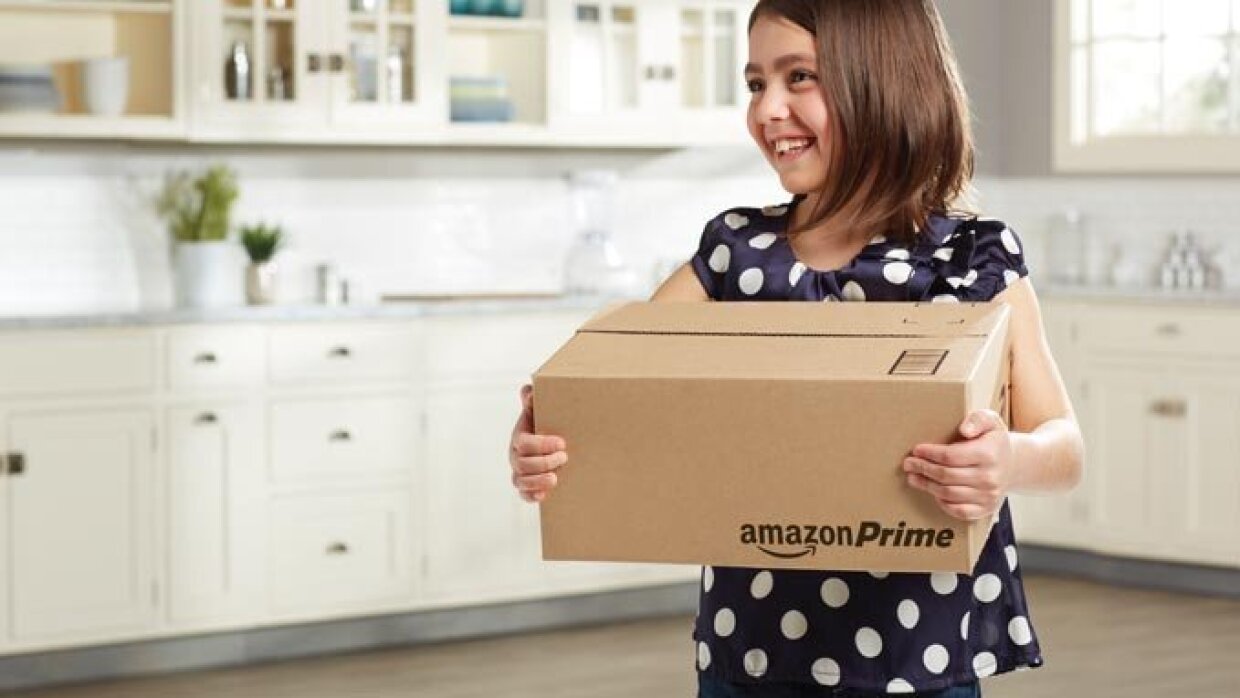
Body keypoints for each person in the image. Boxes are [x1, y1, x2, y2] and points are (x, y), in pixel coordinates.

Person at [508, 1, 1085, 695]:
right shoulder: (732, 252)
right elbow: (619, 382)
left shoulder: (970, 260)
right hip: (749, 651)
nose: (766, 110)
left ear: (884, 80)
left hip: (913, 660)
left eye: (798, 77)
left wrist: (1009, 459)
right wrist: (547, 435)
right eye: (755, 84)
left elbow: (1064, 446)